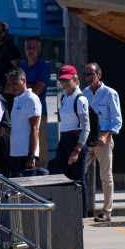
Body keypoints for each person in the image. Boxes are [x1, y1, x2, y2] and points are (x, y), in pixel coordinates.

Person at [82, 62, 122, 222]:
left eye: (91, 74)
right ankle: (78, 210)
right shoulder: (84, 93)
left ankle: (107, 212)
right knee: (77, 174)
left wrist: (106, 136)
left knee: (106, 176)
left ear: (99, 75)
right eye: (86, 75)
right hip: (87, 138)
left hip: (102, 138)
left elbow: (117, 120)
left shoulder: (109, 93)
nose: (88, 78)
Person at [52, 65, 91, 217]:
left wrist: (77, 149)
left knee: (78, 180)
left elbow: (86, 127)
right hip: (64, 140)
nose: (64, 83)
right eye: (61, 81)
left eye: (67, 80)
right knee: (58, 175)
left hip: (76, 139)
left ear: (75, 79)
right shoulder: (64, 95)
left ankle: (82, 215)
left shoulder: (80, 99)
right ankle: (63, 211)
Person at [17, 36, 51, 168]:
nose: (30, 51)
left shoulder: (44, 67)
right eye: (28, 48)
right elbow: (9, 88)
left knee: (40, 145)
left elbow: (37, 90)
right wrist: (28, 86)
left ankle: (43, 172)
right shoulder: (20, 66)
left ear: (39, 49)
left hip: (39, 113)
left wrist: (20, 87)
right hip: (20, 112)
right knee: (22, 143)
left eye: (34, 48)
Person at [5, 68, 41, 174]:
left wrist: (31, 157)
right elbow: (19, 128)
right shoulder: (17, 99)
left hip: (26, 155)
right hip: (14, 154)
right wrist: (5, 131)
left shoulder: (31, 99)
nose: (12, 86)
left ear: (24, 81)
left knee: (26, 189)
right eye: (9, 84)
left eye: (15, 83)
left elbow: (35, 129)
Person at [0, 21, 20, 108]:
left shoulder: (10, 47)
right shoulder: (3, 46)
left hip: (7, 89)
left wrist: (10, 85)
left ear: (6, 32)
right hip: (1, 87)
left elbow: (18, 68)